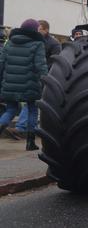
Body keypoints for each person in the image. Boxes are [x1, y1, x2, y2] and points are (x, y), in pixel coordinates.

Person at [0, 19, 48, 151]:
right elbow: (41, 66)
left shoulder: (9, 43)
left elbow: (1, 64)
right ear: (33, 30)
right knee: (32, 110)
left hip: (9, 84)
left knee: (10, 110)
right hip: (30, 85)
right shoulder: (38, 44)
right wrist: (47, 82)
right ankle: (30, 142)